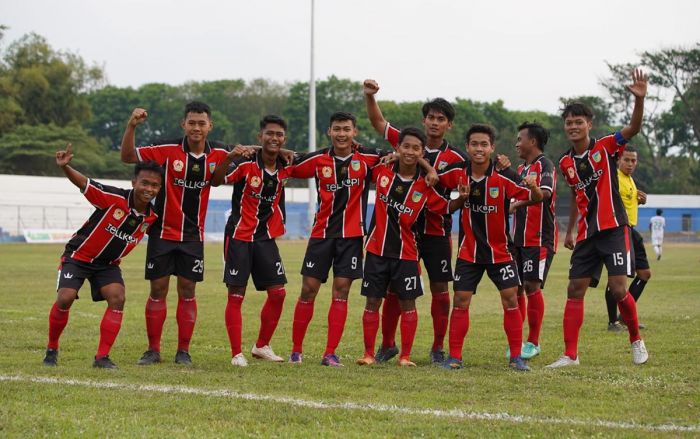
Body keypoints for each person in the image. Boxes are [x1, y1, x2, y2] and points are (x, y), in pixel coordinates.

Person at [546, 69, 650, 369]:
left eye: (579, 122)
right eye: (569, 123)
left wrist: (639, 101)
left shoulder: (605, 146)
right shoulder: (565, 162)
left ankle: (635, 341)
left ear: (589, 124)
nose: (574, 126)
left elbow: (633, 128)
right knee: (574, 288)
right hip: (587, 234)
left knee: (618, 288)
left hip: (614, 228)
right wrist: (570, 231)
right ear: (565, 128)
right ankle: (570, 355)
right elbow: (579, 196)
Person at [363, 79, 469, 364]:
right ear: (424, 121)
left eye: (441, 119)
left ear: (449, 125)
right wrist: (370, 97)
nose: (435, 123)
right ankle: (387, 345)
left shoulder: (457, 157)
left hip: (435, 231)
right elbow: (379, 122)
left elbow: (466, 185)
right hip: (398, 233)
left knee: (439, 289)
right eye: (431, 118)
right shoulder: (408, 143)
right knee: (392, 289)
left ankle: (437, 347)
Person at [120, 101, 230, 366]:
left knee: (188, 290)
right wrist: (131, 125)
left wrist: (279, 150)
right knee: (158, 290)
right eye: (191, 122)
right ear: (184, 124)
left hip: (193, 237)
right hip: (162, 234)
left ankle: (183, 351)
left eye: (201, 123)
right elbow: (127, 156)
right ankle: (153, 350)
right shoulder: (167, 150)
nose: (196, 127)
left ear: (209, 126)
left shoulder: (219, 154)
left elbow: (256, 151)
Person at [43, 144, 162, 368]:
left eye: (155, 186)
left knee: (117, 297)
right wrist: (65, 167)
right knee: (65, 298)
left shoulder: (153, 217)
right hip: (78, 257)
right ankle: (52, 348)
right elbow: (85, 183)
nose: (149, 189)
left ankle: (101, 357)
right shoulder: (112, 198)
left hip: (107, 265)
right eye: (145, 183)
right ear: (134, 182)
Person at [438, 124, 543, 372]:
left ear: (492, 148)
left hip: (500, 253)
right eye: (474, 144)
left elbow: (537, 198)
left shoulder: (504, 177)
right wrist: (455, 197)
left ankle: (516, 357)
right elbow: (433, 180)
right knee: (461, 301)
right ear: (467, 147)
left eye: (484, 144)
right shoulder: (457, 173)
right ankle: (454, 357)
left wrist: (533, 186)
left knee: (510, 300)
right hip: (469, 253)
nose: (479, 148)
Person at [286, 112, 386, 367]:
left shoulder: (369, 159)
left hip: (351, 238)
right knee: (308, 291)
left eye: (346, 129)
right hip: (321, 235)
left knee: (341, 293)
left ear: (355, 132)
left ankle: (330, 353)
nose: (342, 134)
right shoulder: (318, 160)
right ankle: (296, 351)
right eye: (337, 129)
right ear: (329, 132)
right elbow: (286, 160)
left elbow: (401, 154)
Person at [211, 115, 293, 367]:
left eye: (279, 135)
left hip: (265, 238)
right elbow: (216, 180)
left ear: (284, 139)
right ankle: (237, 353)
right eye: (269, 134)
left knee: (278, 293)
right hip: (239, 235)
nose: (274, 138)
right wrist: (230, 157)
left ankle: (261, 345)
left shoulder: (286, 164)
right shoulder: (245, 163)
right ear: (260, 137)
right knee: (236, 294)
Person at [508, 122, 557, 359]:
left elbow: (545, 194)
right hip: (518, 239)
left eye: (520, 139)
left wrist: (518, 203)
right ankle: (517, 341)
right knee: (516, 287)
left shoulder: (545, 165)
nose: (517, 144)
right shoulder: (521, 168)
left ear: (533, 142)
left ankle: (533, 342)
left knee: (531, 286)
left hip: (539, 237)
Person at [605, 145, 651, 331]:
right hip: (618, 231)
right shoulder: (614, 178)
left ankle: (624, 316)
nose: (631, 164)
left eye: (634, 160)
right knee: (617, 279)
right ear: (618, 160)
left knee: (644, 274)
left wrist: (640, 200)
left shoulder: (629, 179)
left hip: (632, 231)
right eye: (627, 160)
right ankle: (612, 321)